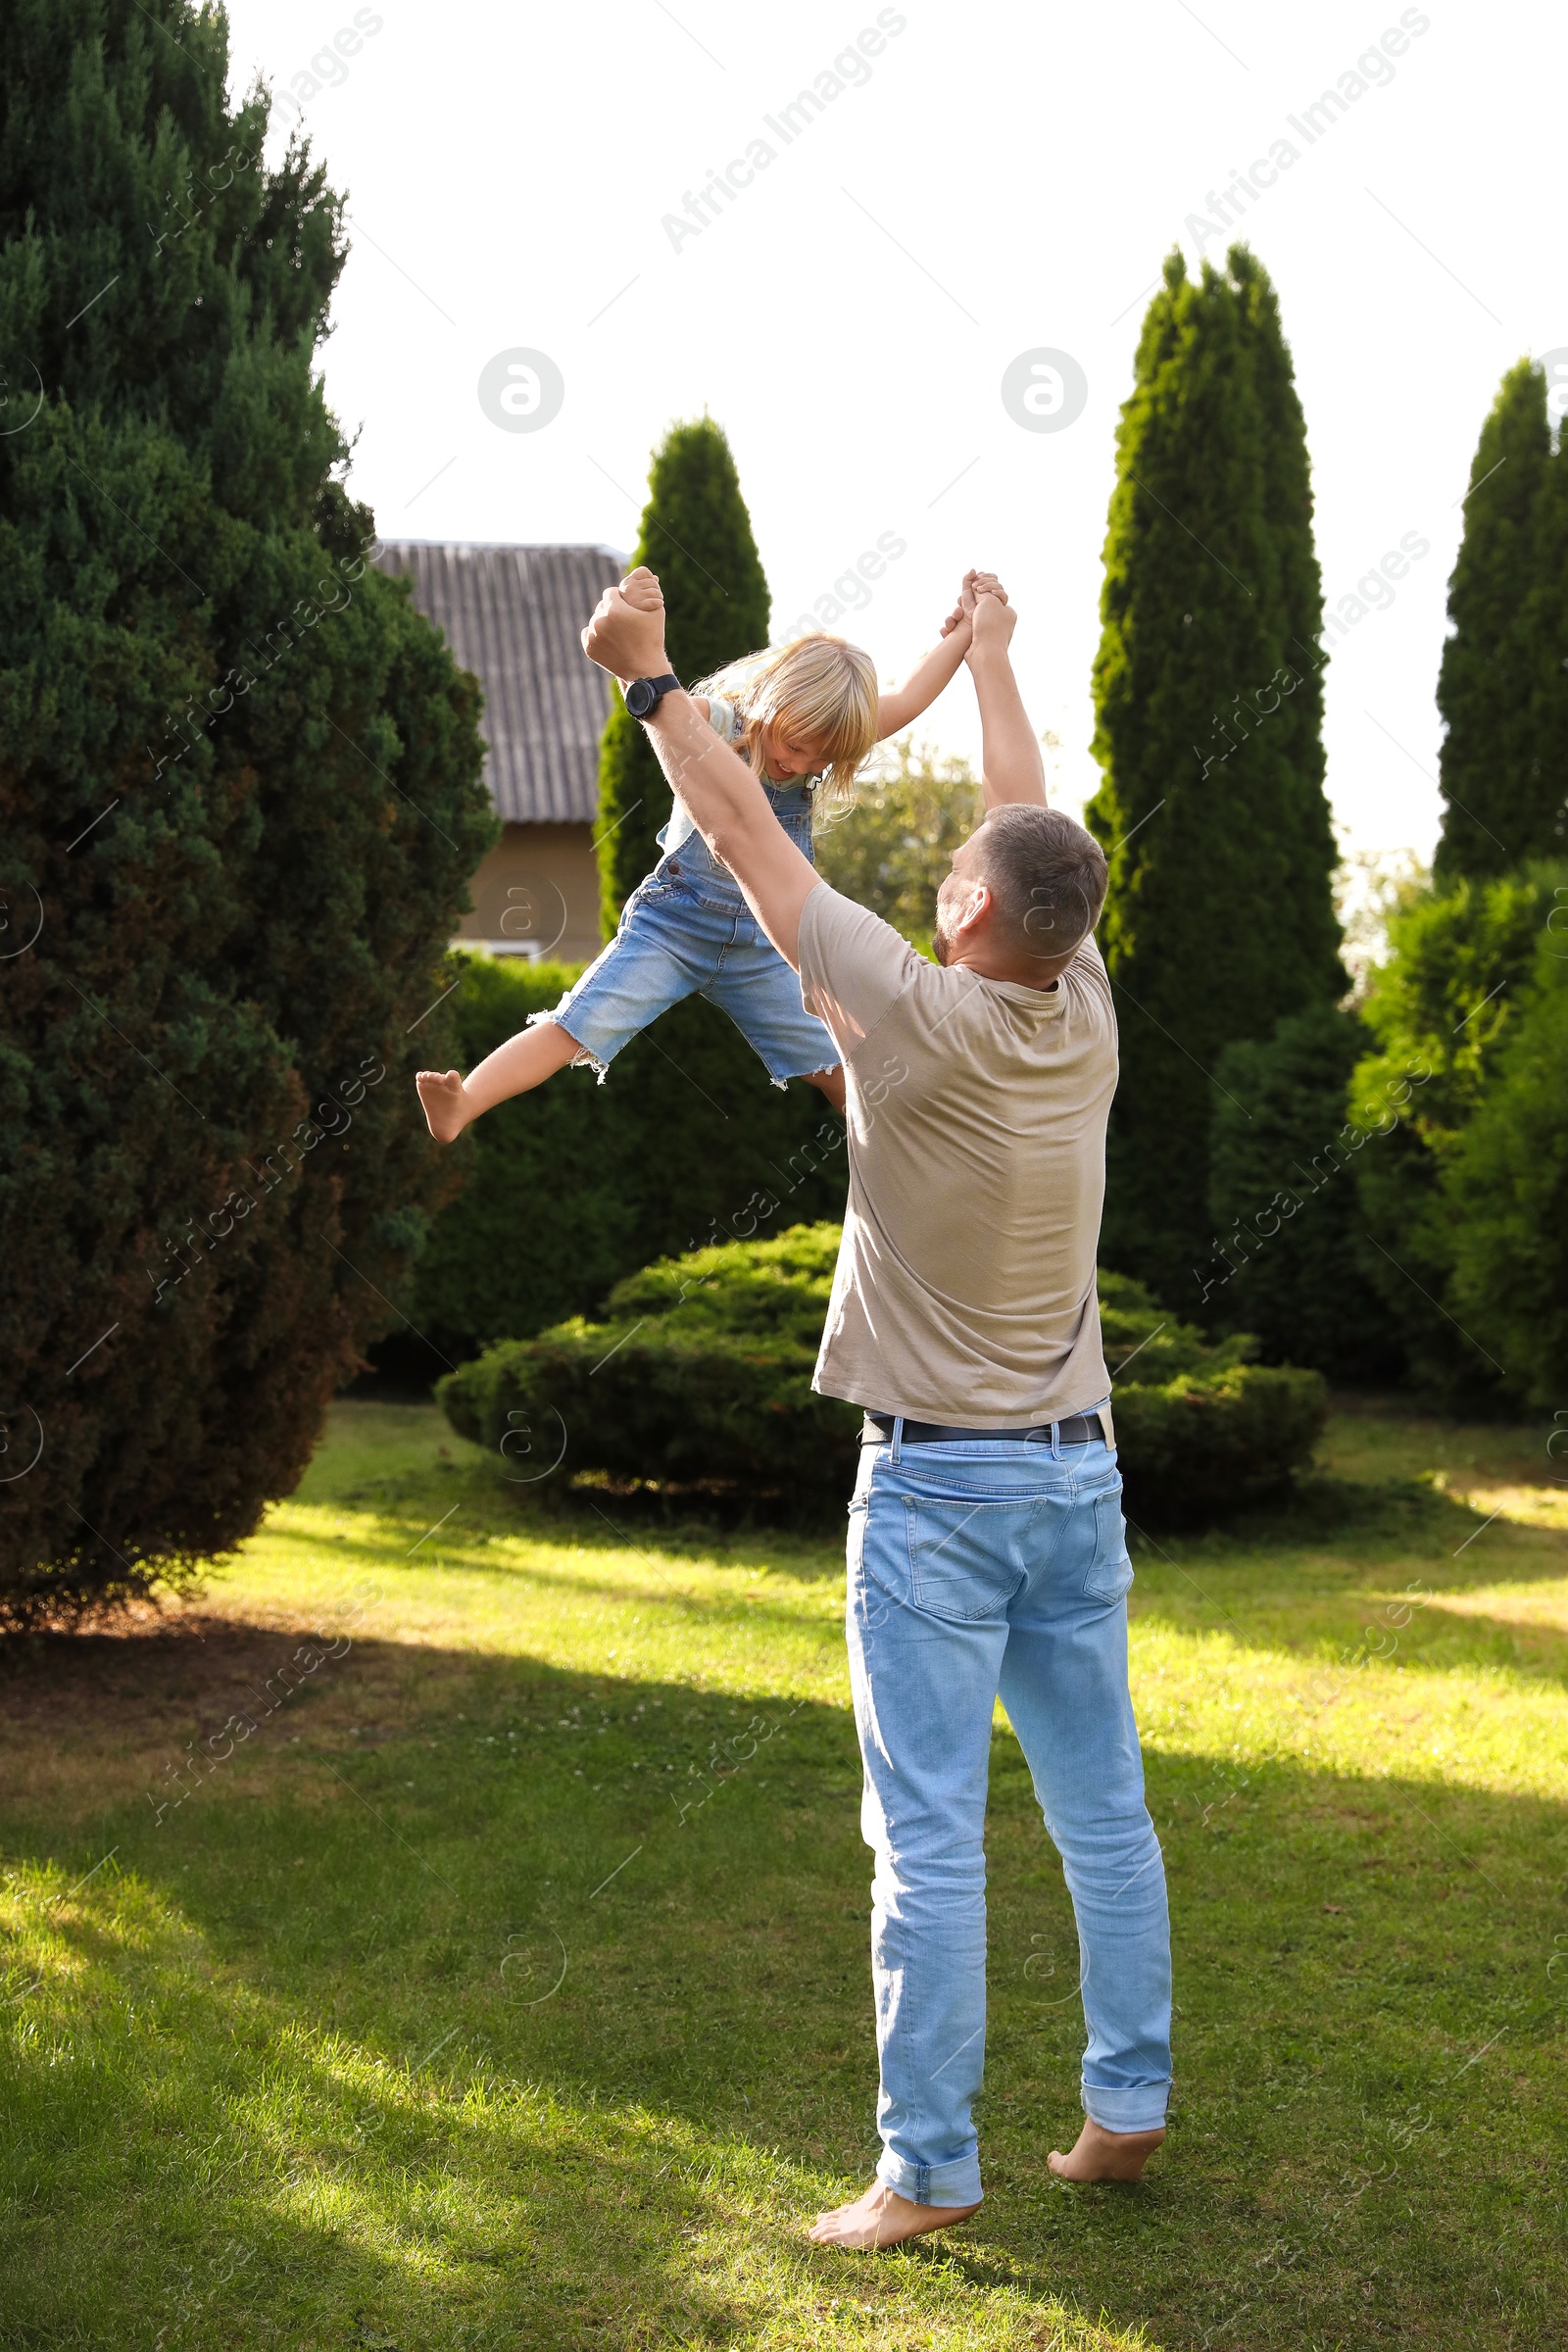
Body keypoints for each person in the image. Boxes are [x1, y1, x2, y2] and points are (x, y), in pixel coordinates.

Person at [579, 564, 1173, 2253]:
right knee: (1103, 1807)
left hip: (936, 1503)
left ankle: (928, 2171)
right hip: (1076, 1483)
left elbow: (749, 840)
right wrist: (991, 654)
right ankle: (1125, 2111)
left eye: (960, 874)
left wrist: (650, 685)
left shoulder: (906, 1015)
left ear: (978, 919)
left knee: (925, 1837)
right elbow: (1027, 809)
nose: (945, 867)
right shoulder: (1087, 1012)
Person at [415, 583, 999, 1142]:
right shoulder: (727, 723)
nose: (802, 762)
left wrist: (962, 635)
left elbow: (910, 698)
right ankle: (464, 1103)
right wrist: (642, 644)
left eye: (822, 754)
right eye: (795, 743)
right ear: (773, 701)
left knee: (840, 1062)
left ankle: (905, 1142)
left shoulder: (820, 742)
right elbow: (670, 704)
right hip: (674, 926)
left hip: (764, 945)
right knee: (575, 1025)